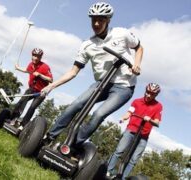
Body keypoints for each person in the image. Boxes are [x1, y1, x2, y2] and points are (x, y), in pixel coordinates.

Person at [41, 2, 144, 146]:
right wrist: (51, 86)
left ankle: (72, 145)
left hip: (124, 87)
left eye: (101, 20)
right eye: (93, 19)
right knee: (76, 104)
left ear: (108, 20)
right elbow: (73, 72)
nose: (96, 23)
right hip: (101, 83)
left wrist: (136, 64)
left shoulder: (122, 34)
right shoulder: (87, 45)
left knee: (98, 114)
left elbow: (139, 48)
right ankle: (49, 137)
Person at [107, 83, 163, 179]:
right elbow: (129, 113)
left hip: (143, 136)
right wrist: (123, 118)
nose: (148, 95)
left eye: (152, 94)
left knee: (134, 159)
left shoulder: (158, 106)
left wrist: (150, 119)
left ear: (156, 95)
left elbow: (157, 123)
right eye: (147, 92)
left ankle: (123, 178)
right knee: (119, 151)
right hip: (131, 130)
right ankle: (108, 171)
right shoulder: (136, 101)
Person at [10, 48, 53, 130]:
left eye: (38, 56)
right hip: (32, 89)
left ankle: (23, 125)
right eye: (34, 56)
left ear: (40, 58)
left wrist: (40, 75)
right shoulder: (31, 65)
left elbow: (50, 80)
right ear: (32, 55)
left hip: (41, 93)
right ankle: (13, 119)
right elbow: (27, 70)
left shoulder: (45, 67)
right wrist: (18, 68)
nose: (36, 58)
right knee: (21, 102)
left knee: (32, 107)